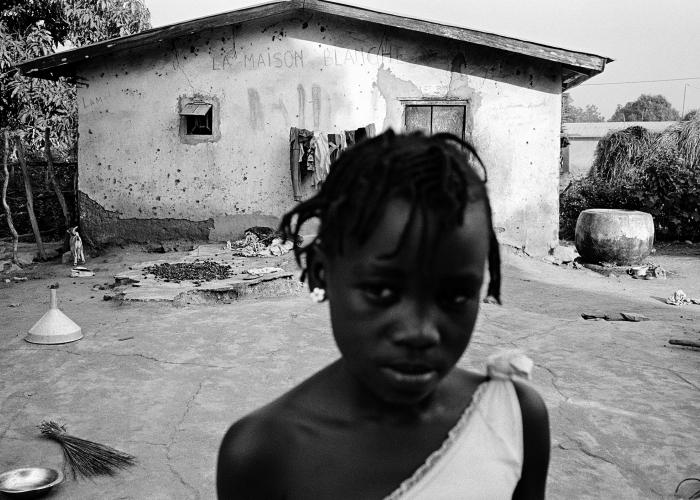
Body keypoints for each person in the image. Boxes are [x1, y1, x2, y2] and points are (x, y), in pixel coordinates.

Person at [217, 130, 550, 499]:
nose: (420, 332)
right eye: (382, 291)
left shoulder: (513, 419)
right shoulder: (262, 454)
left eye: (455, 296)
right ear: (320, 274)